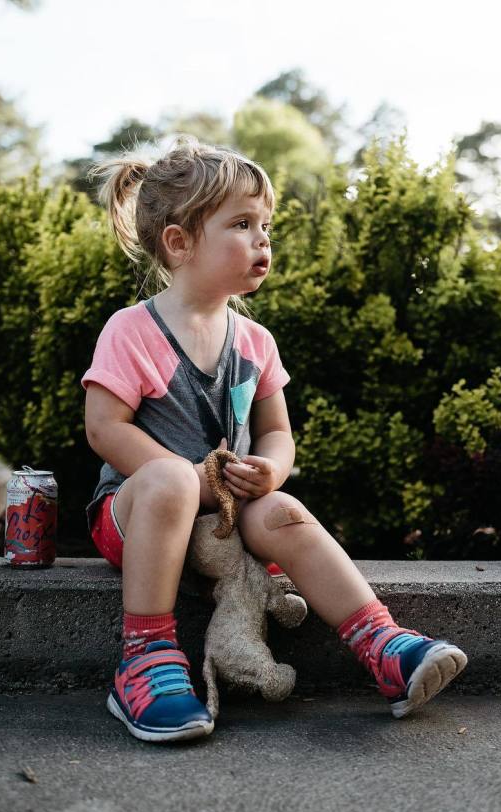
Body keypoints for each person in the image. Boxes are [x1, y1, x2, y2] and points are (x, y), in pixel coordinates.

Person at [81, 134, 468, 744]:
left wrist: (270, 471)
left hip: (228, 518)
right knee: (169, 478)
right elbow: (104, 428)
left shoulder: (255, 343)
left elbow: (277, 432)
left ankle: (384, 646)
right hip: (138, 515)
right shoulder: (134, 330)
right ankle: (145, 659)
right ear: (178, 243)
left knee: (283, 509)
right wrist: (191, 479)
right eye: (241, 223)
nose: (263, 238)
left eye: (266, 224)